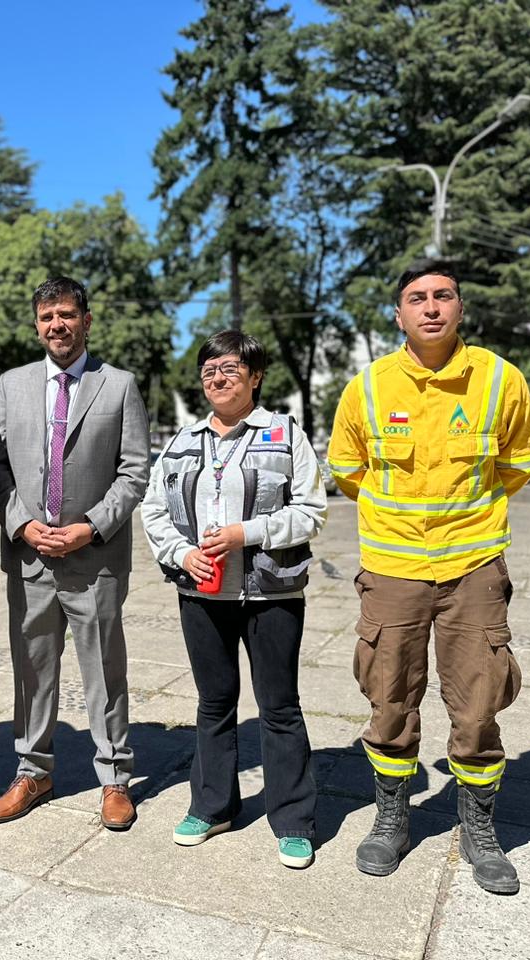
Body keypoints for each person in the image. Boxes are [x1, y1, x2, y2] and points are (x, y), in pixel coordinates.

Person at [328, 261, 530, 895]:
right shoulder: (367, 387)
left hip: (473, 569)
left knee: (478, 706)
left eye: (442, 296)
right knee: (390, 699)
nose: (430, 307)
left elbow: (521, 461)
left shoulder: (501, 380)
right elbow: (347, 467)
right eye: (416, 298)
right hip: (392, 570)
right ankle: (392, 816)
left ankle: (479, 828)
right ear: (398, 314)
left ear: (460, 308)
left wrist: (464, 522)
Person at [141, 330, 326, 868]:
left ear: (255, 376)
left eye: (229, 369)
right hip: (201, 594)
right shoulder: (182, 440)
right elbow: (153, 509)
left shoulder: (285, 434)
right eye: (208, 372)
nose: (218, 379)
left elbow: (312, 510)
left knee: (279, 707)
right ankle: (213, 805)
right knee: (214, 704)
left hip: (271, 591)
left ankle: (293, 819)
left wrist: (248, 533)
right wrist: (180, 553)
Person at [0, 276, 150, 830]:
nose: (57, 325)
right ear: (37, 325)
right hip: (30, 556)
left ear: (86, 320)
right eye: (47, 316)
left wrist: (92, 528)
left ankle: (115, 779)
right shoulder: (10, 385)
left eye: (67, 315)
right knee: (32, 668)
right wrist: (23, 526)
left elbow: (133, 473)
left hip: (93, 556)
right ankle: (32, 770)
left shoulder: (119, 385)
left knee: (103, 666)